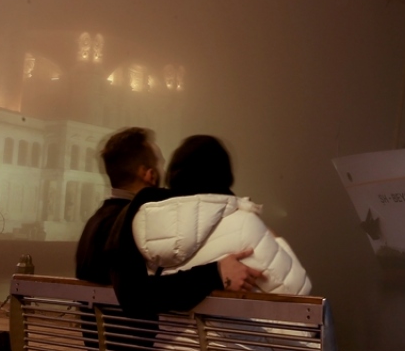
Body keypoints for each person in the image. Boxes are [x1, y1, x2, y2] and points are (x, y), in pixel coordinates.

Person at [117, 135, 399, 351]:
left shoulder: (148, 233)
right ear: (222, 175)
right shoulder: (241, 223)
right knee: (302, 336)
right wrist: (274, 238)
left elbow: (142, 293)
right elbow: (297, 293)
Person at [76, 127, 265, 315]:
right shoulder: (126, 224)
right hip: (135, 342)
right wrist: (216, 274)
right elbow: (139, 294)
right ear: (148, 174)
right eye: (161, 164)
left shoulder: (96, 223)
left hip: (103, 341)